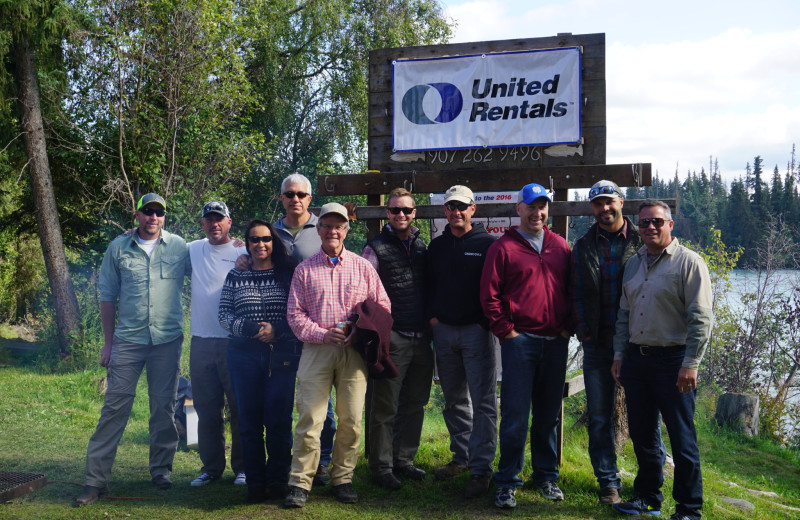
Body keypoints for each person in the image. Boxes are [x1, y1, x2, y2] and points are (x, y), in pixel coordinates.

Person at [76, 193, 190, 506]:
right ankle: (95, 482)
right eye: (148, 212)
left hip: (167, 341)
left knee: (163, 409)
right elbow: (107, 296)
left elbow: (210, 261)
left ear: (164, 217)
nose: (154, 217)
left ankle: (161, 471)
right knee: (114, 409)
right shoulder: (118, 247)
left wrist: (237, 246)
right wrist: (108, 344)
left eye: (159, 213)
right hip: (127, 341)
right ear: (137, 215)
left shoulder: (180, 247)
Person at [283, 203, 390, 508]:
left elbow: (382, 307)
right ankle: (300, 482)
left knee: (352, 419)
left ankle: (343, 479)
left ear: (347, 230)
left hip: (354, 352)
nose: (332, 231)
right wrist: (321, 333)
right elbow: (294, 315)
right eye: (327, 225)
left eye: (338, 226)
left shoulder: (363, 267)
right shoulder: (304, 270)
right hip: (317, 350)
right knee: (310, 418)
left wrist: (362, 330)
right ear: (318, 229)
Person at [611, 199, 713, 520]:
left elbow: (701, 318)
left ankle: (689, 509)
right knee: (642, 434)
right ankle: (648, 498)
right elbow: (623, 315)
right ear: (638, 228)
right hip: (637, 361)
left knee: (682, 438)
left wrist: (691, 363)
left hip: (674, 362)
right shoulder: (634, 263)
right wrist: (618, 356)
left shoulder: (689, 263)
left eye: (657, 221)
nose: (650, 227)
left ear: (671, 224)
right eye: (644, 223)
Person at [480, 183, 573, 509]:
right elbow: (489, 296)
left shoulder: (560, 246)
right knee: (516, 416)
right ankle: (507, 482)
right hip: (520, 344)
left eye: (542, 207)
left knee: (548, 416)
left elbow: (574, 292)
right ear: (518, 209)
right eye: (531, 207)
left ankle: (546, 477)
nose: (537, 213)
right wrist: (507, 332)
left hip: (555, 343)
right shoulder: (503, 247)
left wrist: (567, 329)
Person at [570, 180, 643, 505]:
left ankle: (649, 481)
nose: (604, 208)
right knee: (599, 416)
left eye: (608, 201)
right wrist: (584, 331)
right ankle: (608, 483)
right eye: (597, 203)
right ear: (592, 207)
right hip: (598, 345)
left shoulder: (644, 240)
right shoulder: (584, 245)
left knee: (644, 414)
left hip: (639, 344)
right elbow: (576, 293)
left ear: (621, 202)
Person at [219, 219, 300, 503]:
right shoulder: (235, 276)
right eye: (254, 239)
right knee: (249, 423)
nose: (260, 244)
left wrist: (276, 330)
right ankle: (255, 483)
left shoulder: (288, 273)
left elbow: (298, 312)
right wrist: (255, 330)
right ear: (248, 243)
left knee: (279, 421)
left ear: (274, 241)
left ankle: (278, 481)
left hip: (282, 357)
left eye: (266, 238)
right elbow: (224, 315)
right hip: (243, 356)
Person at [426, 185, 498, 498]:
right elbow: (426, 285)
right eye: (450, 207)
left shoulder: (488, 244)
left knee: (483, 401)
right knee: (454, 398)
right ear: (444, 211)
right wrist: (432, 318)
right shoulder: (437, 246)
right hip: (444, 331)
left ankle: (481, 470)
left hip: (476, 332)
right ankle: (462, 458)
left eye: (462, 207)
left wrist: (485, 322)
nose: (456, 212)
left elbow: (498, 287)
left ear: (473, 210)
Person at [362, 188, 433, 490]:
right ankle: (381, 466)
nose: (400, 215)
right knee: (384, 406)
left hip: (422, 338)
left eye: (406, 210)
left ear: (414, 213)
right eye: (394, 210)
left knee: (415, 403)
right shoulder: (375, 248)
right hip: (393, 337)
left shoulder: (422, 246)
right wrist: (379, 337)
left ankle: (404, 460)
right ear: (387, 214)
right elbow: (366, 297)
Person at [273, 173, 336, 487]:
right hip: (281, 330)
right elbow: (252, 256)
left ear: (310, 199)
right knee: (284, 399)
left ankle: (323, 462)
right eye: (289, 194)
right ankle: (287, 461)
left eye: (301, 194)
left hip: (317, 328)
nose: (295, 199)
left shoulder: (323, 229)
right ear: (282, 198)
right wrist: (242, 258)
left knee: (323, 403)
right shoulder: (271, 233)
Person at [188, 201, 248, 489]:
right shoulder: (192, 248)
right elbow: (157, 242)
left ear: (229, 222)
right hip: (200, 341)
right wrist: (132, 232)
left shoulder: (242, 250)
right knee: (206, 408)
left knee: (239, 407)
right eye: (209, 220)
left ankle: (243, 468)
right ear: (202, 224)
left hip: (233, 342)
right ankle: (211, 468)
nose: (214, 224)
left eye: (219, 219)